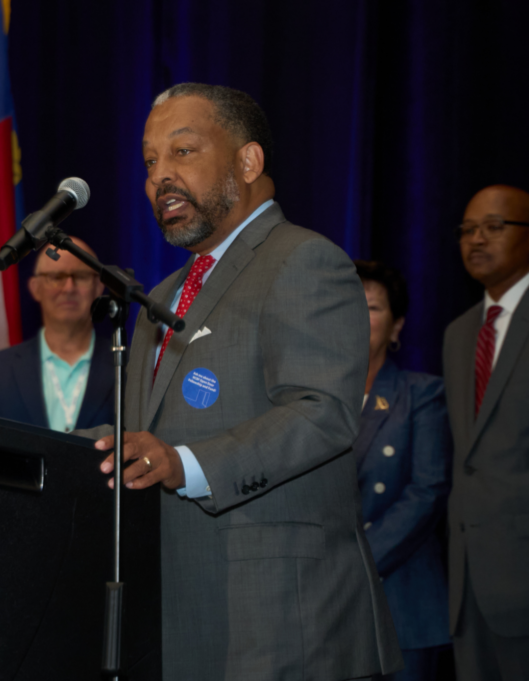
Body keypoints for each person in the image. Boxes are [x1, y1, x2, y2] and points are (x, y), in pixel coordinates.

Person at [88, 83, 402, 678]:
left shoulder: (303, 260)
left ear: (248, 161)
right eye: (150, 161)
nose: (160, 177)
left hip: (283, 621)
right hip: (180, 620)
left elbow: (322, 413)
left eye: (183, 152)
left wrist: (185, 463)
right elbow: (143, 440)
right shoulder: (160, 296)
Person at [443, 184, 529, 680]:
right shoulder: (459, 333)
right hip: (469, 581)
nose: (477, 239)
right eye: (467, 230)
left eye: (494, 227)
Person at [352, 260, 452, 681]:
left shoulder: (422, 393)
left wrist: (355, 563)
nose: (358, 316)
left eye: (372, 308)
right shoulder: (307, 399)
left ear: (396, 328)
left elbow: (427, 492)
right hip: (326, 608)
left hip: (401, 602)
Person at [0, 236, 114, 433]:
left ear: (99, 287)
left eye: (80, 276)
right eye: (56, 277)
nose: (68, 288)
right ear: (35, 288)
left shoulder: (130, 367)